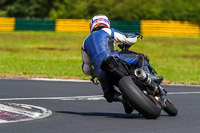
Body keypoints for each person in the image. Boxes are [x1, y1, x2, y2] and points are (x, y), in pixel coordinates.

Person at [81, 14, 151, 114]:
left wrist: (94, 74)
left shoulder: (84, 42)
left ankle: (122, 99)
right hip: (114, 59)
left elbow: (86, 69)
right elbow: (129, 39)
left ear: (92, 26)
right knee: (140, 58)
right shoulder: (107, 31)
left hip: (100, 70)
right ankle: (146, 77)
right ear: (106, 23)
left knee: (108, 95)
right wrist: (134, 36)